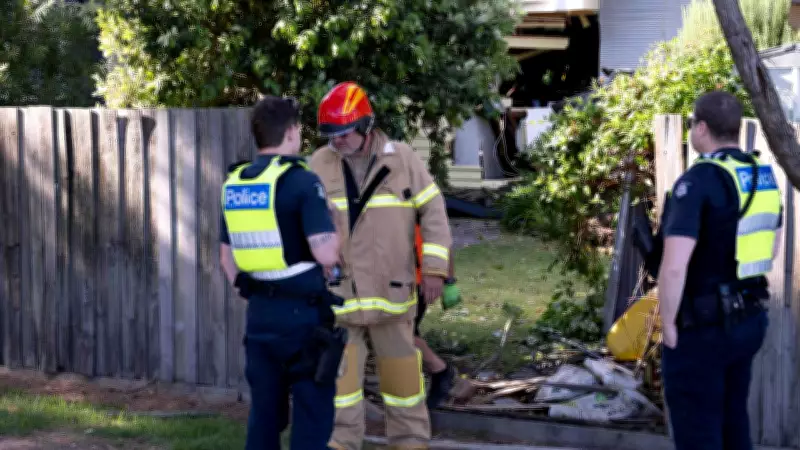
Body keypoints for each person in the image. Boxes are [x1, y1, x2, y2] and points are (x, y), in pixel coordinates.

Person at [308, 81, 453, 450]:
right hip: (341, 303)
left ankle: (410, 444)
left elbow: (434, 212)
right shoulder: (318, 164)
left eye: (342, 133)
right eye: (329, 134)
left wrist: (435, 271)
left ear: (365, 126)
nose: (335, 142)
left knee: (405, 390)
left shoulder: (402, 159)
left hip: (394, 299)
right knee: (341, 396)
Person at [656, 91, 783, 450]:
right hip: (747, 322)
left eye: (693, 125)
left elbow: (675, 266)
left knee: (698, 428)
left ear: (702, 127)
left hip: (702, 328)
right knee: (733, 420)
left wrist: (667, 327)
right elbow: (770, 247)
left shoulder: (697, 182)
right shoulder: (760, 176)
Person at [219, 95, 346, 450]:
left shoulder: (236, 183)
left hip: (259, 318)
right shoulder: (303, 181)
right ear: (291, 132)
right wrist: (333, 219)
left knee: (264, 417)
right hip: (303, 319)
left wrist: (255, 293)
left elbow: (225, 260)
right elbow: (326, 252)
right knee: (311, 415)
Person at [412, 223, 459, 409]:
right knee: (402, 331)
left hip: (418, 280)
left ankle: (440, 370)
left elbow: (443, 241)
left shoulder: (418, 201)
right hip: (398, 279)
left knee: (402, 331)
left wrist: (448, 280)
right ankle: (438, 371)